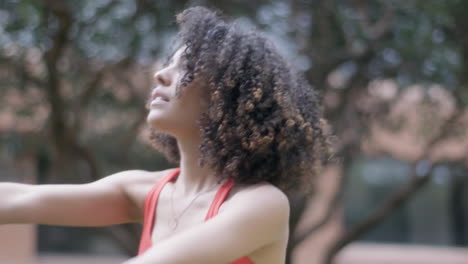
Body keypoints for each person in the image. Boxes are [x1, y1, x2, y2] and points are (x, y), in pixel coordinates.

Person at [0, 6, 333, 264]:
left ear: (230, 97)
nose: (160, 75)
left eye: (185, 68)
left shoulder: (260, 204)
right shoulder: (144, 190)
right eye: (167, 64)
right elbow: (19, 199)